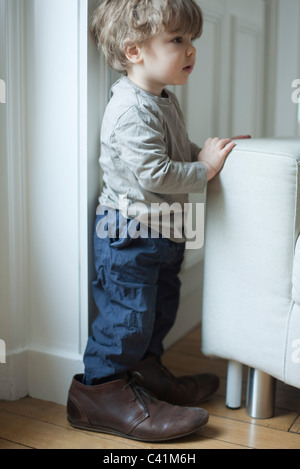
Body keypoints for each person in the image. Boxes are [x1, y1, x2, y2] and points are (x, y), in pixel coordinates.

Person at [67, 0, 248, 442]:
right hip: (128, 233)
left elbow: (174, 150)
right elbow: (155, 172)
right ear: (135, 51)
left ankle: (145, 374)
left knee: (157, 310)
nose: (191, 51)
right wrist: (203, 169)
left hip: (160, 228)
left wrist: (207, 153)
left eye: (192, 41)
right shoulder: (130, 109)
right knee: (127, 315)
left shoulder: (160, 98)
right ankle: (100, 392)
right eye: (178, 40)